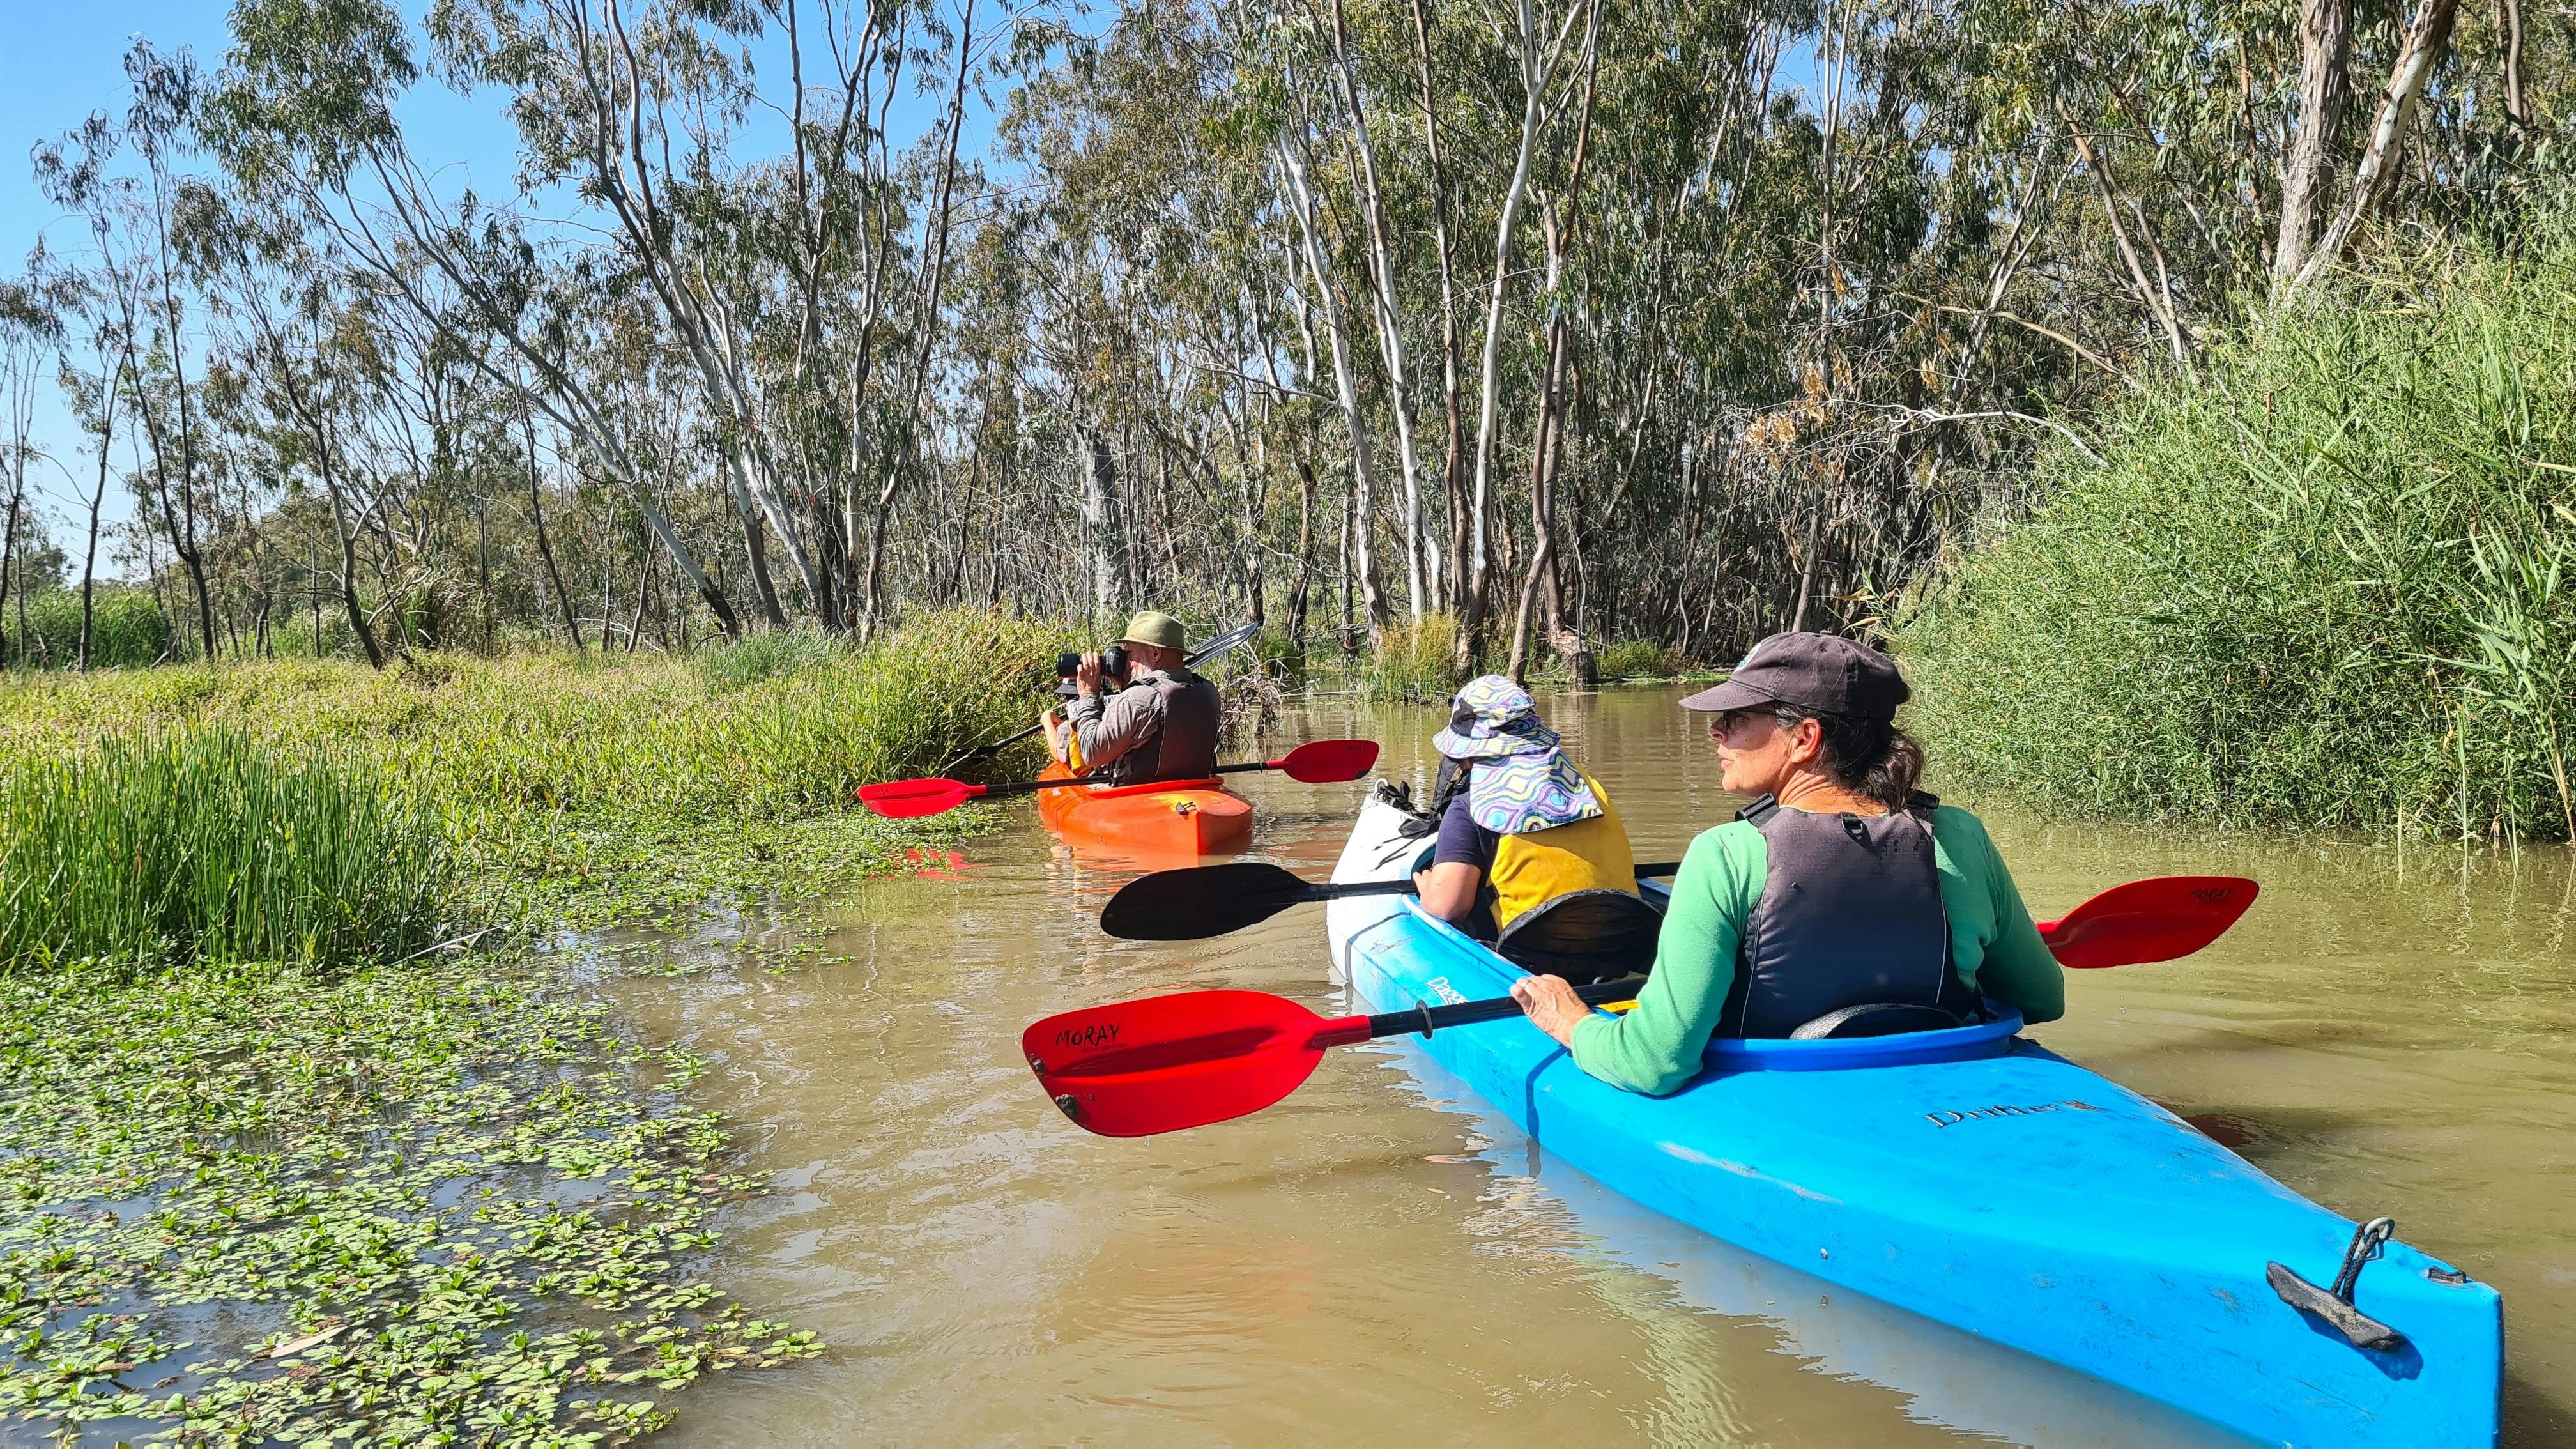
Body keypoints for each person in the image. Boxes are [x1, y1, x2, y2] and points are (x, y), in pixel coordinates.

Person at [1510, 631, 2064, 1094]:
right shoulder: (1960, 835)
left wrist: (1572, 1020)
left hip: (1780, 1093)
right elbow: (2040, 998)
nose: (1716, 730)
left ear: (1804, 738)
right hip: (1945, 1084)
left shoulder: (1725, 854)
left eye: (1735, 717)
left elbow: (1653, 1064)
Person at [1413, 676, 1637, 941]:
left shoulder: (1468, 807)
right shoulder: (1589, 787)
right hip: (1626, 939)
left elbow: (1448, 909)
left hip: (1534, 952)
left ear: (1467, 755)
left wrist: (1427, 887)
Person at [1042, 611, 1223, 787]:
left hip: (1139, 795)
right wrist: (1125, 686)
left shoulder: (1137, 698)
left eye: (1130, 655)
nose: (1127, 663)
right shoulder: (1208, 691)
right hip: (1197, 787)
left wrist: (1089, 695)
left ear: (1155, 654)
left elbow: (1091, 753)